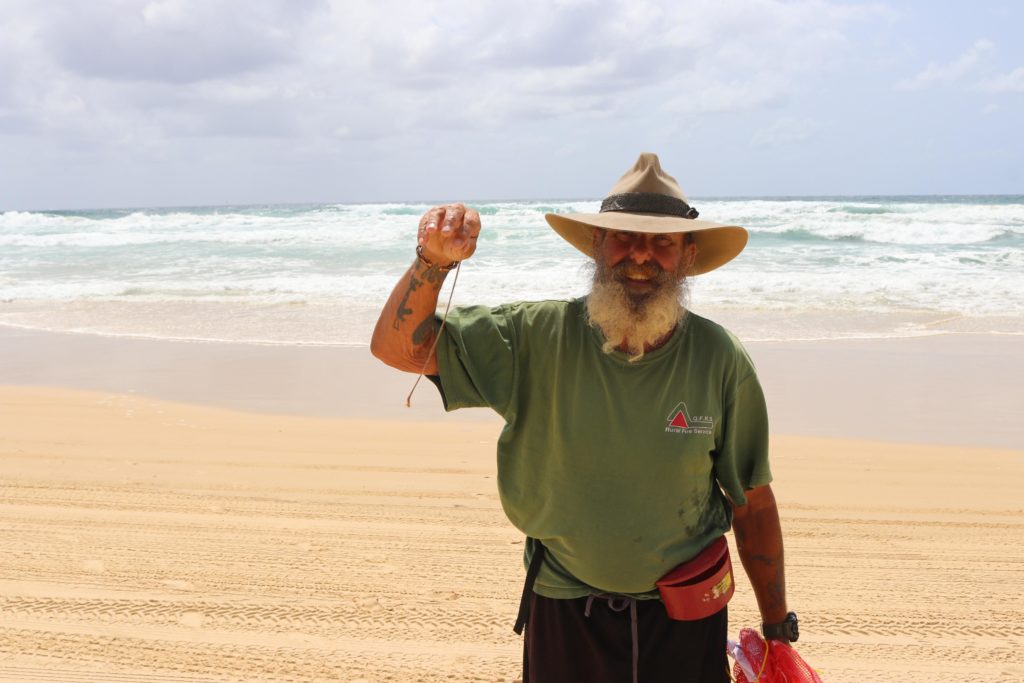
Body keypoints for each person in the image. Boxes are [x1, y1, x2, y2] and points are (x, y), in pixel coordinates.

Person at [371, 153, 798, 683]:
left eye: (661, 241)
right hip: (566, 606)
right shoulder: (532, 336)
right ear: (598, 245)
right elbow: (396, 348)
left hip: (687, 613)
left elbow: (752, 502)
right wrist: (432, 263)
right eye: (624, 236)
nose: (641, 255)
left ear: (688, 254)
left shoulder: (719, 357)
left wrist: (778, 629)